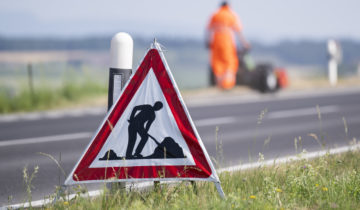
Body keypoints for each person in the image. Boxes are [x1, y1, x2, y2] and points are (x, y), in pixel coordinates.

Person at [206, 1, 250, 89]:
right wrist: (245, 43)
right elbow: (238, 31)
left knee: (217, 62)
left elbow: (208, 30)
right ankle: (228, 84)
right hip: (227, 41)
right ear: (228, 6)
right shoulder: (231, 15)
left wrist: (208, 42)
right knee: (229, 62)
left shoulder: (215, 15)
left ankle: (219, 84)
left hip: (216, 41)